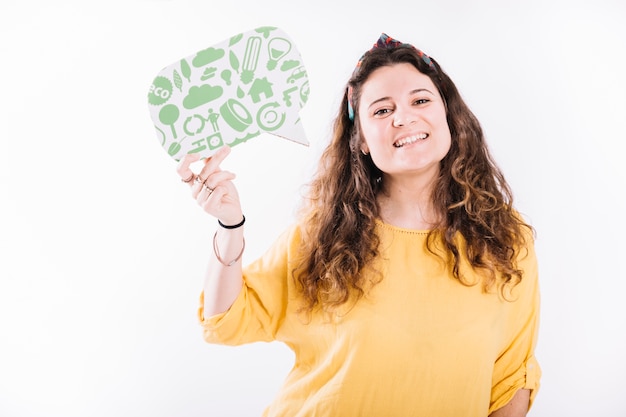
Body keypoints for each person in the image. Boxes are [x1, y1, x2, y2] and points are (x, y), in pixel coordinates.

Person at [176, 33, 541, 417]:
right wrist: (230, 226)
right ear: (362, 141)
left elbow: (511, 377)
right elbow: (224, 320)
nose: (404, 117)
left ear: (448, 116)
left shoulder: (505, 238)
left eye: (420, 100)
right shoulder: (324, 234)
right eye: (382, 111)